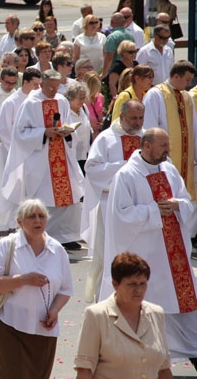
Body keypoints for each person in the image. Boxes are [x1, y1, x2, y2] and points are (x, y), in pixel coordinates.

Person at [100, 128, 197, 366]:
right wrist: (154, 211)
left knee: (184, 306)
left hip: (176, 258)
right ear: (146, 145)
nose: (168, 150)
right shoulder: (127, 175)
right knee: (153, 306)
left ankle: (193, 352)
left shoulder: (170, 170)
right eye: (163, 146)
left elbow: (186, 200)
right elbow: (120, 216)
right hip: (149, 255)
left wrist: (178, 205)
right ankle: (150, 358)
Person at [0, 199, 72, 379]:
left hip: (44, 329)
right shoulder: (7, 245)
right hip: (11, 325)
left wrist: (54, 311)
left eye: (41, 216)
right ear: (19, 222)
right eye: (31, 217)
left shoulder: (57, 250)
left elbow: (66, 289)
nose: (37, 221)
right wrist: (23, 280)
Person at [3, 69, 85, 250]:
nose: (54, 91)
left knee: (68, 197)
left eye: (57, 87)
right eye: (50, 87)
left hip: (62, 155)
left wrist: (67, 132)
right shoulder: (31, 103)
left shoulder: (61, 101)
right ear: (41, 84)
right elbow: (20, 133)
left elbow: (69, 123)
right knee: (44, 198)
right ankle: (44, 235)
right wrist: (44, 133)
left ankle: (66, 235)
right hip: (40, 158)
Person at [80, 99, 144, 303]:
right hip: (110, 205)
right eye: (133, 118)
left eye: (141, 118)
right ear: (121, 116)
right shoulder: (106, 138)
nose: (137, 123)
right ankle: (102, 297)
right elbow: (92, 169)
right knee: (106, 253)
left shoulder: (146, 137)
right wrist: (125, 167)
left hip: (138, 207)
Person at [75, 252, 172, 379]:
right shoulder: (96, 315)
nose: (138, 290)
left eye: (142, 284)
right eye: (132, 284)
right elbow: (84, 370)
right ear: (115, 284)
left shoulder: (156, 313)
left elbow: (164, 369)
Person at [0, 68, 42, 232]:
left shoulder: (37, 101)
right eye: (35, 84)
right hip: (13, 152)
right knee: (11, 186)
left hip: (32, 152)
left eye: (39, 84)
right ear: (26, 82)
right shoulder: (12, 102)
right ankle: (5, 222)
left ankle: (23, 221)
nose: (38, 88)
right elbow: (1, 127)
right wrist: (16, 146)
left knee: (28, 188)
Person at [142, 60, 197, 201]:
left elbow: (194, 129)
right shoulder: (156, 94)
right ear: (176, 76)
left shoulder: (187, 97)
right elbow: (148, 129)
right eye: (187, 80)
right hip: (164, 159)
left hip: (187, 161)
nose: (189, 84)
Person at [64, 82, 92, 172]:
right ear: (71, 98)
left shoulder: (83, 108)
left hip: (85, 156)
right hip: (72, 157)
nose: (83, 101)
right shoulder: (65, 112)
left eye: (84, 98)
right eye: (80, 98)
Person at [101, 12, 134, 77]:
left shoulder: (112, 37)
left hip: (115, 71)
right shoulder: (130, 35)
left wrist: (103, 74)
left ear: (111, 22)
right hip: (128, 70)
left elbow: (109, 57)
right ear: (124, 22)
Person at [83, 71, 104, 140]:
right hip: (87, 135)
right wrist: (90, 126)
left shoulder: (100, 97)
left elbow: (101, 114)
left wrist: (102, 123)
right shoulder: (82, 100)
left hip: (99, 134)